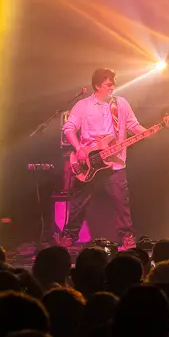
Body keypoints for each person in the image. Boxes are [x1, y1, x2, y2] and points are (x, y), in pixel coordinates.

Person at [60, 68, 145, 250]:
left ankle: (127, 239)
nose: (112, 87)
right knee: (78, 205)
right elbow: (68, 128)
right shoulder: (83, 106)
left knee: (121, 204)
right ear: (98, 86)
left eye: (113, 84)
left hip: (114, 164)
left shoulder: (120, 104)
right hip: (88, 164)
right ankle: (68, 237)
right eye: (108, 84)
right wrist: (79, 149)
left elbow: (133, 125)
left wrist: (150, 131)